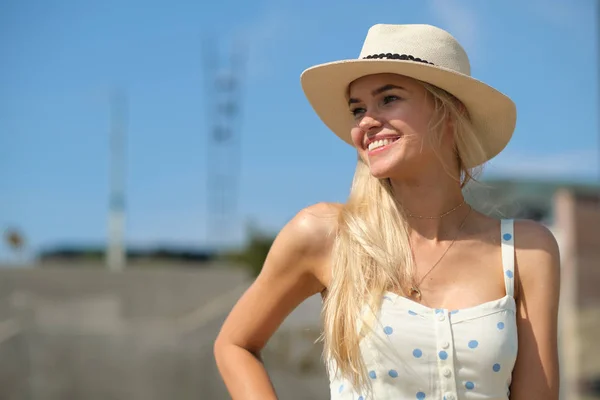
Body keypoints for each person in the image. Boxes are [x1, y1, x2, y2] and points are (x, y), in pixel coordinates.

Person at [214, 24, 560, 400]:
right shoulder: (326, 235)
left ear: (449, 112)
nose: (365, 122)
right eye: (357, 109)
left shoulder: (526, 251)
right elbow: (234, 345)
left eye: (389, 99)